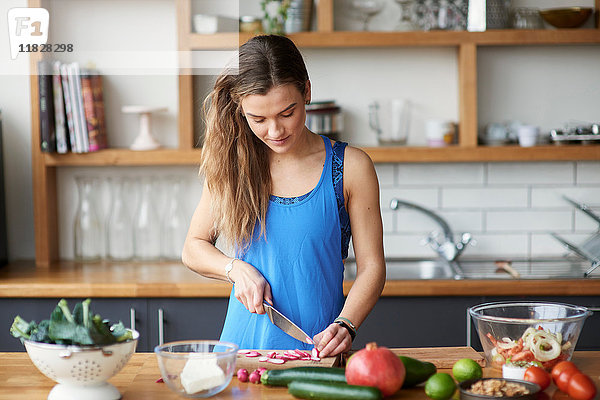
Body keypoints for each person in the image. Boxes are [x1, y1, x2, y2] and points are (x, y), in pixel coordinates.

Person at [182, 34, 385, 357]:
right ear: (241, 109)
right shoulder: (232, 165)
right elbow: (193, 247)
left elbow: (372, 266)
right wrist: (235, 269)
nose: (275, 132)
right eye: (258, 119)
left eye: (286, 113)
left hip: (319, 352)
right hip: (240, 354)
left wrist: (347, 324)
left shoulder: (350, 167)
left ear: (307, 91)